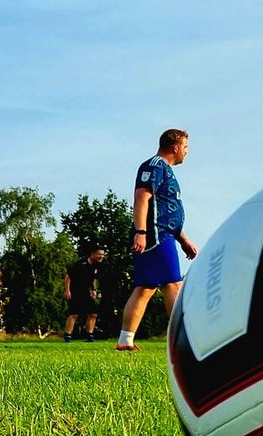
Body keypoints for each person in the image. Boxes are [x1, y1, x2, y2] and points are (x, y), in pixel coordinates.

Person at [117, 129, 198, 350]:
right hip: (155, 234)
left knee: (145, 287)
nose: (186, 152)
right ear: (175, 147)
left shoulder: (166, 170)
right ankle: (183, 340)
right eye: (186, 147)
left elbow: (166, 211)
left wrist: (183, 239)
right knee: (173, 284)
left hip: (162, 233)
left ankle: (125, 340)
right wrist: (141, 232)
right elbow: (141, 198)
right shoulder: (154, 166)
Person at [64, 247, 105, 342]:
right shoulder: (81, 264)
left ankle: (89, 335)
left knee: (93, 313)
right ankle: (67, 335)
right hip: (74, 290)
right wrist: (67, 290)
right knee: (74, 314)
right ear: (93, 254)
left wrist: (94, 290)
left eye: (103, 254)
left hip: (86, 291)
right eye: (99, 254)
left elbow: (93, 279)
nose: (101, 256)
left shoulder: (97, 266)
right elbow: (68, 277)